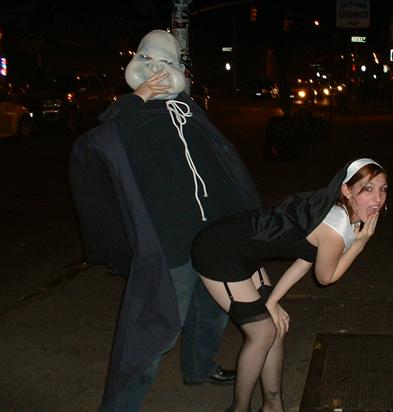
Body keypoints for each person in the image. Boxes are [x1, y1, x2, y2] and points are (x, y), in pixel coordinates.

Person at [69, 29, 261, 411]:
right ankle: (121, 405)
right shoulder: (130, 120)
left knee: (212, 312)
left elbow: (218, 168)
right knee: (154, 330)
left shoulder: (189, 112)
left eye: (166, 64)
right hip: (169, 244)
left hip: (212, 237)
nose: (156, 72)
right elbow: (95, 146)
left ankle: (199, 368)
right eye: (147, 61)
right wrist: (136, 100)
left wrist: (242, 227)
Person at [191, 158, 388, 412]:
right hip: (218, 250)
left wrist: (272, 302)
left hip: (242, 249)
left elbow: (306, 257)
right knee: (262, 333)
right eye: (368, 189)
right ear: (346, 190)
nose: (378, 198)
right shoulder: (336, 226)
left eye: (383, 189)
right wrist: (360, 244)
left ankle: (273, 406)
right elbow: (326, 277)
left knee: (275, 327)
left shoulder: (336, 209)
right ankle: (239, 409)